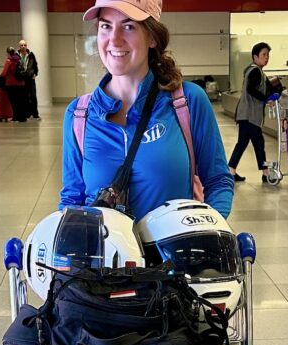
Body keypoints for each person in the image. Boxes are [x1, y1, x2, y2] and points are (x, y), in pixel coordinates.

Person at [60, 0, 234, 220]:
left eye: (128, 26)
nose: (114, 39)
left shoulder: (187, 102)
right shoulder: (79, 114)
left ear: (152, 37)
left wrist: (207, 234)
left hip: (171, 252)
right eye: (106, 26)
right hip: (104, 252)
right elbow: (72, 197)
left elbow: (218, 180)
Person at [228, 42, 271, 183]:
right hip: (250, 115)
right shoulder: (255, 72)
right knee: (258, 143)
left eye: (268, 55)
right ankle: (266, 173)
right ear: (255, 56)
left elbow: (267, 87)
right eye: (264, 54)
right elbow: (252, 90)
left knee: (243, 143)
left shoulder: (254, 71)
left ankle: (231, 171)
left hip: (245, 115)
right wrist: (266, 99)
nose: (267, 57)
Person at [1, 47, 28, 123]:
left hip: (11, 84)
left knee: (14, 102)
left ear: (8, 53)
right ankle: (22, 117)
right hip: (21, 83)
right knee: (21, 101)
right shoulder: (20, 59)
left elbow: (4, 73)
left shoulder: (9, 61)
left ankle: (16, 117)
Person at [18, 39, 41, 120]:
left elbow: (35, 65)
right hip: (22, 79)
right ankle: (26, 114)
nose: (23, 47)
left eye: (25, 45)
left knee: (33, 96)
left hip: (30, 78)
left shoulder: (31, 55)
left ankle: (35, 114)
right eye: (22, 45)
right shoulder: (17, 56)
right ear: (19, 46)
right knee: (24, 97)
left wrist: (35, 74)